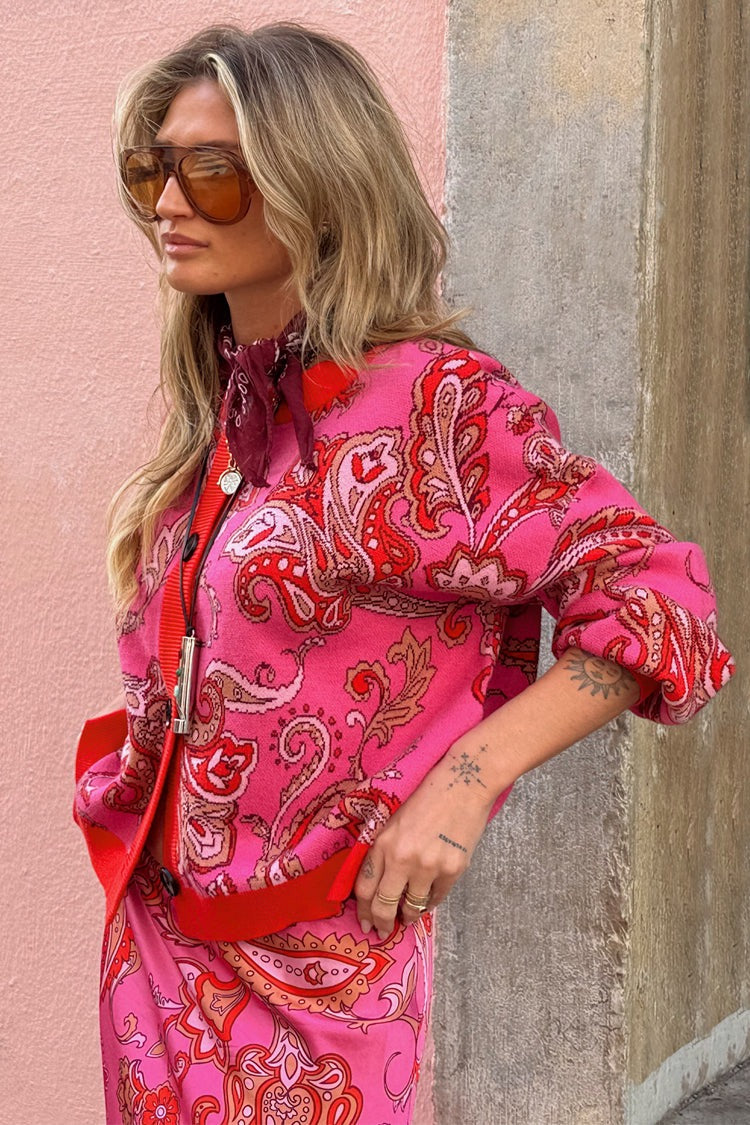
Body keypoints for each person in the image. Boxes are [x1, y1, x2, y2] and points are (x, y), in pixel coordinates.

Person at [73, 21, 735, 1125]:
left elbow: (661, 598)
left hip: (321, 987)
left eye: (213, 173)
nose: (169, 205)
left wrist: (466, 781)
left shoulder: (433, 407)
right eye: (154, 170)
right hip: (159, 959)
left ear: (316, 184)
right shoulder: (229, 406)